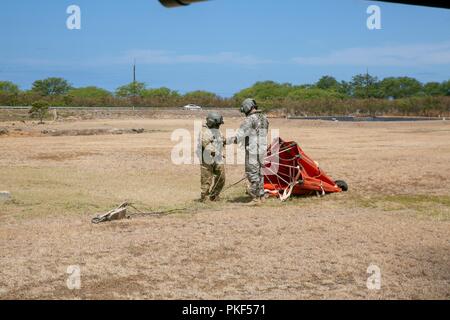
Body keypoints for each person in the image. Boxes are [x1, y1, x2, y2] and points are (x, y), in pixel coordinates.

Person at [227, 98, 269, 203]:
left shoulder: (250, 119)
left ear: (247, 107)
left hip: (252, 149)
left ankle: (255, 198)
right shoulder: (264, 118)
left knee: (252, 173)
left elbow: (240, 135)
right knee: (260, 172)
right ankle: (261, 195)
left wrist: (226, 141)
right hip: (262, 148)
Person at [198, 112, 226, 202]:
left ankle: (214, 195)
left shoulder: (217, 131)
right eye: (218, 124)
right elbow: (206, 145)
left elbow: (221, 140)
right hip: (207, 159)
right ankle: (204, 197)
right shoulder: (204, 132)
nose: (219, 126)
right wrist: (215, 152)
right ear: (212, 122)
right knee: (206, 179)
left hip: (217, 158)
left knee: (221, 178)